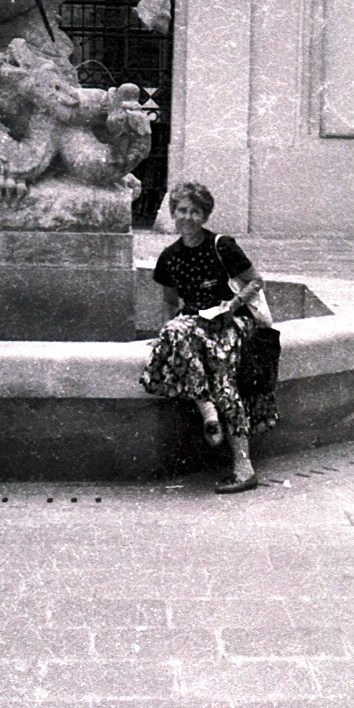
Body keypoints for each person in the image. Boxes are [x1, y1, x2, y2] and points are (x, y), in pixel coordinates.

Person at [141, 182, 275, 493]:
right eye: (182, 210)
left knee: (222, 373)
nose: (187, 217)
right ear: (174, 214)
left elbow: (256, 281)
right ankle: (208, 412)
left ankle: (243, 467)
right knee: (175, 331)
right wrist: (167, 335)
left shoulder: (222, 245)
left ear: (204, 215)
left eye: (194, 211)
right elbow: (170, 304)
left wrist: (234, 303)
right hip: (195, 326)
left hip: (231, 323)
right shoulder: (169, 257)